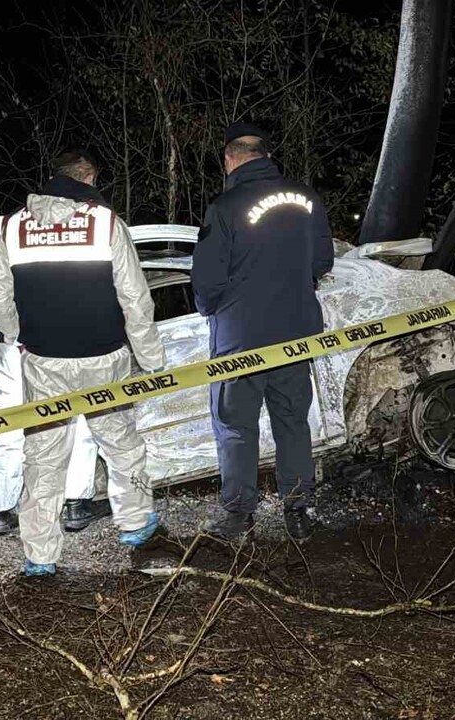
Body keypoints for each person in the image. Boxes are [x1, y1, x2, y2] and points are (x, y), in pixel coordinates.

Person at [0, 149, 167, 576]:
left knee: (44, 458)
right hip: (105, 357)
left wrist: (17, 337)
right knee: (121, 446)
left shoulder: (13, 227)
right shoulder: (106, 224)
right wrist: (152, 359)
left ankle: (40, 557)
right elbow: (135, 299)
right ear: (87, 178)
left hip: (45, 361)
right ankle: (137, 525)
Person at [192, 122, 334, 541]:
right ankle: (298, 511)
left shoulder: (225, 206)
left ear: (230, 159)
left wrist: (214, 309)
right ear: (266, 155)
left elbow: (207, 280)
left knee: (236, 425)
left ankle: (238, 515)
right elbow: (322, 260)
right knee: (292, 421)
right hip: (296, 333)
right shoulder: (305, 198)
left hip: (241, 340)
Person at [0, 219, 112, 536]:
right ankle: (74, 505)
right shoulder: (82, 226)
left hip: (10, 342)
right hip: (61, 339)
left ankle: (1, 511)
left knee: (8, 423)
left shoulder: (1, 226)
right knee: (77, 418)